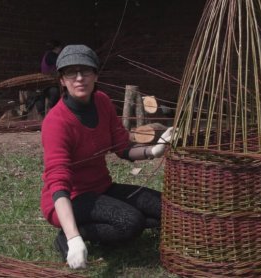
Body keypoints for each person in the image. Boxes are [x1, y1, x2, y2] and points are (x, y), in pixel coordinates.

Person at [40, 44, 173, 269]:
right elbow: (58, 181)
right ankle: (70, 235)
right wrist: (74, 238)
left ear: (96, 75)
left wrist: (154, 150)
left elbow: (122, 147)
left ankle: (120, 220)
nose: (80, 78)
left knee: (165, 209)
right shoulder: (56, 122)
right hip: (72, 198)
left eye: (86, 71)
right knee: (130, 223)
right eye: (71, 72)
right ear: (62, 80)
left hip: (102, 188)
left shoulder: (102, 101)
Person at [35, 40, 63, 116]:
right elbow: (61, 65)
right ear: (58, 48)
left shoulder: (47, 54)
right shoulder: (52, 55)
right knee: (55, 92)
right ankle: (52, 112)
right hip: (49, 84)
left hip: (46, 84)